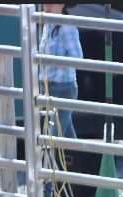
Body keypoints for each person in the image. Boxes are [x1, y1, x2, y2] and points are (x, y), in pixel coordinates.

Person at [38, 3, 82, 139]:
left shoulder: (67, 27)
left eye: (51, 3)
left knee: (54, 136)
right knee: (65, 134)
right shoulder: (47, 25)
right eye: (45, 3)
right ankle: (78, 152)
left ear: (62, 5)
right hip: (48, 87)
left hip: (63, 88)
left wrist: (57, 62)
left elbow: (77, 57)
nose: (47, 7)